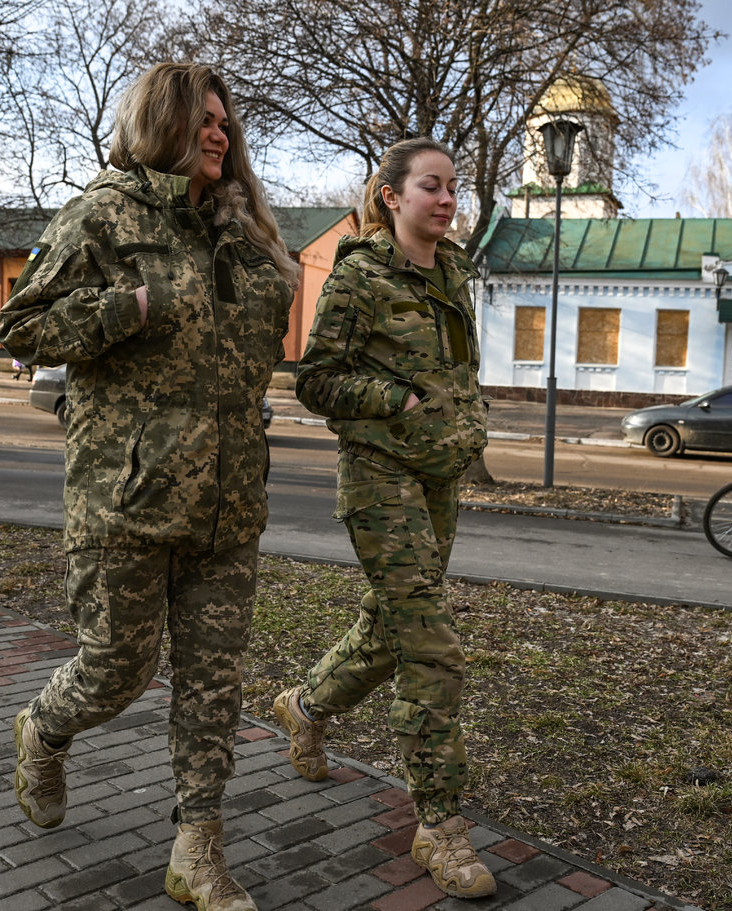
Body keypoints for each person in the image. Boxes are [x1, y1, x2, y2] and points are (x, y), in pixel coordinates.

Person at [0, 63, 298, 911]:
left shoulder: (239, 234)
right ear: (162, 122)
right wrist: (121, 308)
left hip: (229, 504)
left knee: (214, 685)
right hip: (123, 501)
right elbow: (19, 327)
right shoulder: (100, 214)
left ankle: (197, 851)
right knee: (118, 669)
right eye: (204, 120)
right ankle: (45, 728)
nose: (221, 134)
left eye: (226, 123)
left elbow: (249, 358)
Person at [271, 137, 495, 899]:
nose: (445, 199)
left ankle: (304, 706)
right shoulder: (359, 275)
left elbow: (458, 367)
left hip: (438, 479)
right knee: (431, 646)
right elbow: (316, 380)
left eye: (452, 187)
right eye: (431, 186)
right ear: (392, 195)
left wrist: (471, 416)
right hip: (379, 478)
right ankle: (439, 822)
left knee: (388, 628)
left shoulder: (457, 269)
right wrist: (392, 398)